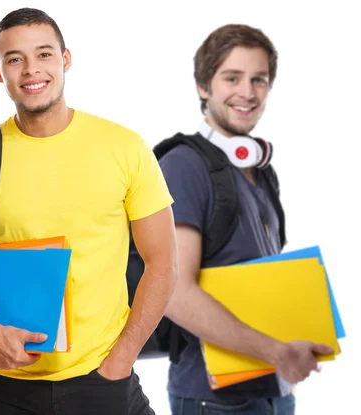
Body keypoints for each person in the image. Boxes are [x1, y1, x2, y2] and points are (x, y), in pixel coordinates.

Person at [0, 7, 178, 415]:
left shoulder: (125, 147)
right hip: (4, 382)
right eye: (14, 59)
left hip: (104, 378)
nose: (31, 70)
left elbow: (163, 261)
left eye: (43, 54)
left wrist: (123, 358)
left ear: (66, 59)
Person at [157, 24, 334, 414]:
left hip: (273, 388)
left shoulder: (261, 171)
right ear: (204, 87)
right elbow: (174, 292)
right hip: (215, 398)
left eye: (259, 80)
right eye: (231, 78)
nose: (247, 93)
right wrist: (275, 350)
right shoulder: (184, 166)